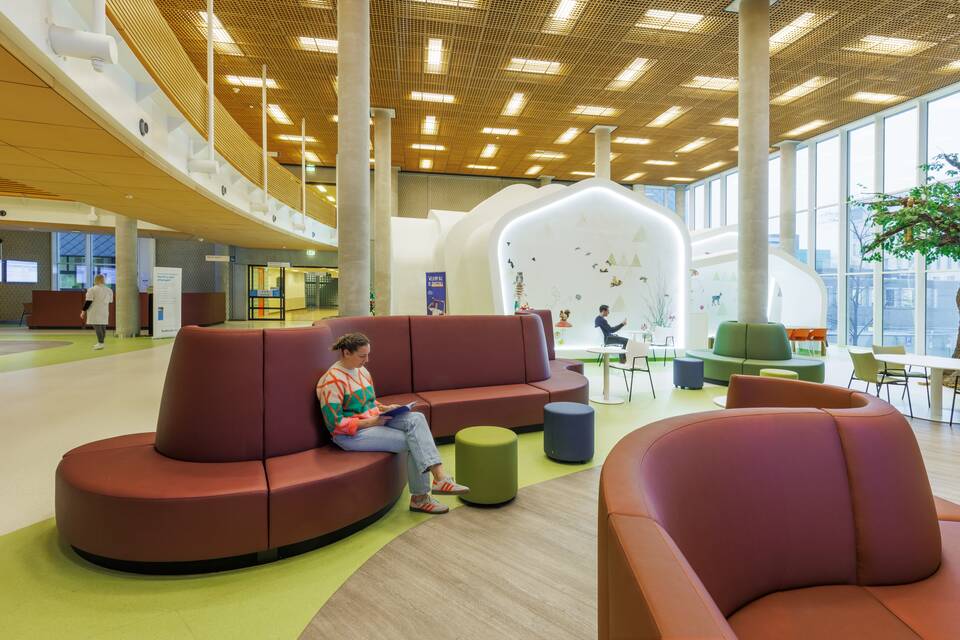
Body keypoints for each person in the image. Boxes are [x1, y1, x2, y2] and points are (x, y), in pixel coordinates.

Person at [316, 332, 469, 514]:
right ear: (346, 353)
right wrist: (372, 421)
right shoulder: (332, 381)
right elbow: (335, 424)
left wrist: (385, 408)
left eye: (368, 355)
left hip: (374, 420)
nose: (367, 360)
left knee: (417, 418)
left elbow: (369, 403)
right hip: (351, 435)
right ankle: (421, 498)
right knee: (414, 441)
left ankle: (440, 477)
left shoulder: (362, 371)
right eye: (362, 356)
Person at [80, 273, 113, 350]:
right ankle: (101, 342)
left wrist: (83, 311)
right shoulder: (109, 290)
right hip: (104, 311)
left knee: (97, 326)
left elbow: (88, 302)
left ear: (95, 280)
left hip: (95, 311)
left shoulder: (92, 289)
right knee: (102, 325)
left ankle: (100, 343)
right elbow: (110, 301)